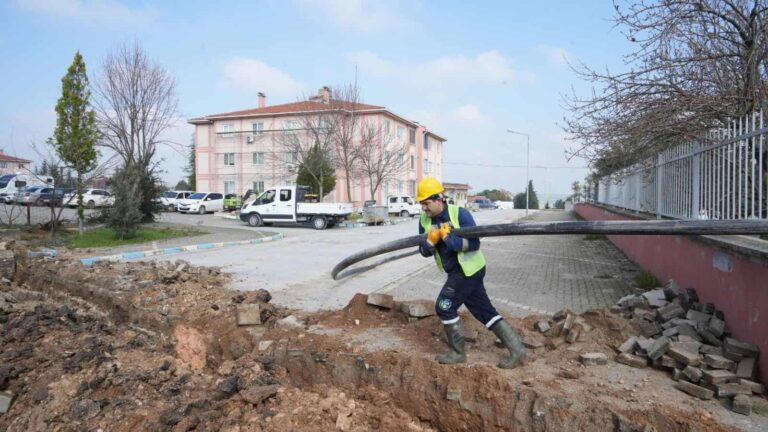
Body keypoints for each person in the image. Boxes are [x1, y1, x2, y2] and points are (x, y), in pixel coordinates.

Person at [416, 177, 527, 368]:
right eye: (421, 204)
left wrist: (449, 238)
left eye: (426, 203)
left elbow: (474, 244)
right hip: (455, 273)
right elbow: (423, 251)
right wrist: (430, 242)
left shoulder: (460, 214)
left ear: (439, 199)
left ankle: (458, 353)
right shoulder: (424, 220)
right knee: (483, 311)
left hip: (469, 270)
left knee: (444, 306)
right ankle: (517, 350)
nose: (424, 208)